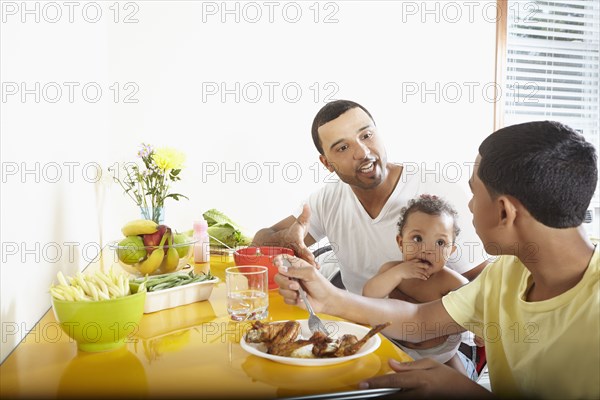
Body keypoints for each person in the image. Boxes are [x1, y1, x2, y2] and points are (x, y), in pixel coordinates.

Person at [274, 121, 599, 399]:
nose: (469, 206)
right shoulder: (509, 272)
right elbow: (421, 318)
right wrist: (329, 298)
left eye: (474, 194)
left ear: (504, 212)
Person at [253, 100, 488, 296]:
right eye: (343, 148)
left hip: (434, 343)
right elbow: (258, 244)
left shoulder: (438, 192)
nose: (363, 152)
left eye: (366, 135)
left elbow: (483, 282)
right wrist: (286, 238)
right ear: (327, 163)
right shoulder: (328, 199)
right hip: (362, 333)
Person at [362, 194, 469, 374]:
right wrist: (398, 274)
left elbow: (476, 307)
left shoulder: (452, 281)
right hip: (394, 345)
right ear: (401, 243)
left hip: (439, 353)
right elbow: (369, 296)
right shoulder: (392, 270)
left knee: (460, 383)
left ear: (451, 251)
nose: (427, 249)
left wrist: (481, 332)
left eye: (440, 242)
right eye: (417, 239)